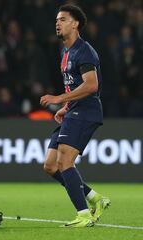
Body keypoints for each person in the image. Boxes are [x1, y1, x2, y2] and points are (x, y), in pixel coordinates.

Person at [40, 4, 110, 227]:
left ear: (75, 23)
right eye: (56, 20)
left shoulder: (84, 51)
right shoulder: (66, 51)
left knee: (65, 161)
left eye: (62, 19)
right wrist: (66, 105)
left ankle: (84, 215)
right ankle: (94, 199)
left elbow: (91, 85)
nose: (57, 23)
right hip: (74, 110)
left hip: (86, 111)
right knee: (50, 165)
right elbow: (75, 86)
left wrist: (60, 99)